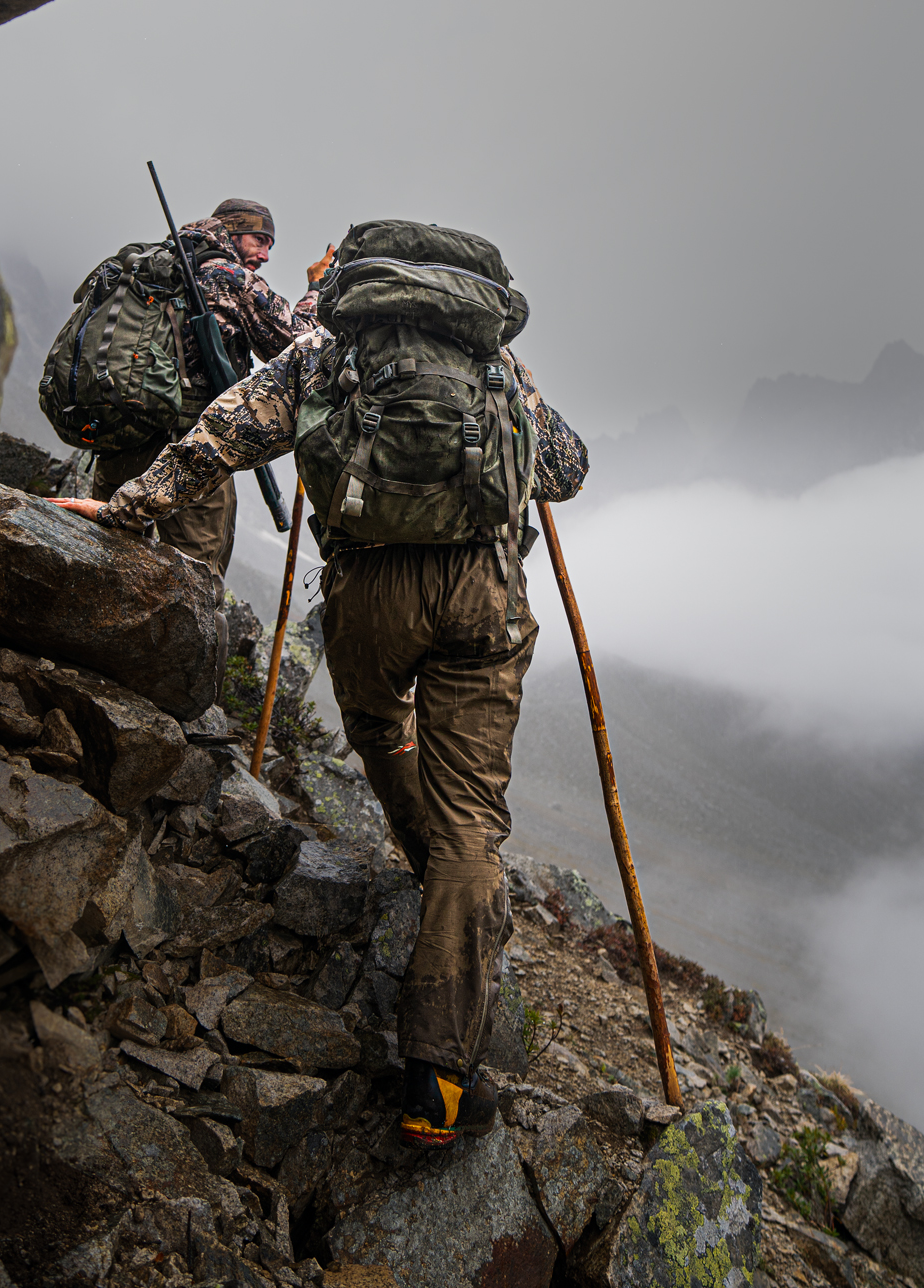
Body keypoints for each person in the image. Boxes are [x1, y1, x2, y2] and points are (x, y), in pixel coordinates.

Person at [58, 223, 587, 1150]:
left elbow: (222, 434)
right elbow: (567, 470)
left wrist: (129, 507)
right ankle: (438, 1079)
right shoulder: (495, 362)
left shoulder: (326, 350)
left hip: (368, 587)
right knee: (474, 826)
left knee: (378, 728)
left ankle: (433, 870)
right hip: (484, 591)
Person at [89, 197, 333, 582]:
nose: (266, 254)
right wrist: (317, 287)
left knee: (100, 555)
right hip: (188, 446)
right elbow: (298, 345)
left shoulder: (157, 264)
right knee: (196, 575)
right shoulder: (227, 275)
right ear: (232, 232)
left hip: (121, 433)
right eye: (259, 240)